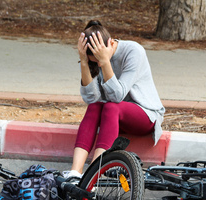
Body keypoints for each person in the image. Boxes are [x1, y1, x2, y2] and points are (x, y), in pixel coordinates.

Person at [63, 20, 165, 179]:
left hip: (145, 114)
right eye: (93, 60)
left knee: (111, 106)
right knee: (95, 106)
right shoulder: (91, 59)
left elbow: (117, 96)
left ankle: (93, 175)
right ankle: (75, 173)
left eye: (97, 59)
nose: (96, 62)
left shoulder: (133, 51)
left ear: (110, 43)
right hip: (114, 118)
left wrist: (104, 62)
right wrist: (84, 62)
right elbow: (91, 98)